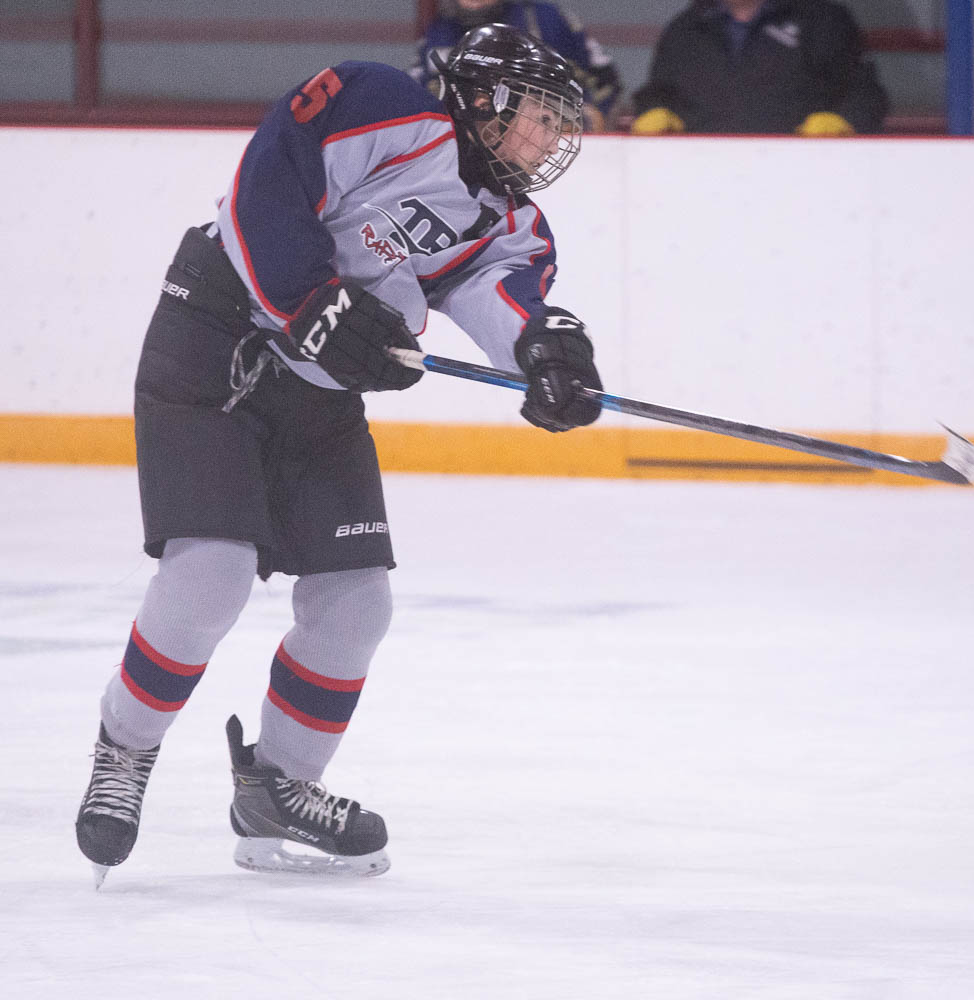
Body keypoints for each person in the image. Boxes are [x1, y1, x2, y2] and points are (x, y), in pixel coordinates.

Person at [74, 24, 603, 882]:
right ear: (484, 100)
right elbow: (271, 177)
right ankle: (124, 751)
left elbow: (501, 292)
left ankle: (278, 788)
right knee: (210, 577)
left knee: (357, 605)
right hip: (217, 335)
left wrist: (546, 355)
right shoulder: (381, 103)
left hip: (316, 388)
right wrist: (308, 299)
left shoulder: (511, 221)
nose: (549, 140)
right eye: (539, 117)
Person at [631, 0, 889, 136]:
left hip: (804, 179)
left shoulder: (822, 20)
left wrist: (844, 121)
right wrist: (653, 111)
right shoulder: (685, 28)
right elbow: (657, 93)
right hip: (702, 180)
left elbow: (865, 94)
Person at [412, 0, 622, 130]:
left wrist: (589, 114)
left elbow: (606, 81)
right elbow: (417, 95)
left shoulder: (546, 20)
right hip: (464, 151)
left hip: (551, 147)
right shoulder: (438, 30)